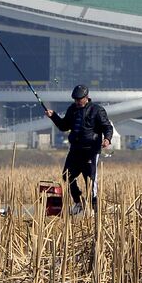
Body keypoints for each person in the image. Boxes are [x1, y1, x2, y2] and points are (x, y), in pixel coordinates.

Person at [45, 85, 113, 214]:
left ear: (86, 97)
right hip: (75, 150)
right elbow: (64, 126)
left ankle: (94, 209)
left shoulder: (97, 110)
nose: (77, 102)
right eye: (75, 99)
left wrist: (107, 139)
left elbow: (107, 127)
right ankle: (78, 202)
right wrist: (53, 116)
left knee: (90, 180)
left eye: (79, 99)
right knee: (67, 176)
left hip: (91, 150)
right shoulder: (72, 109)